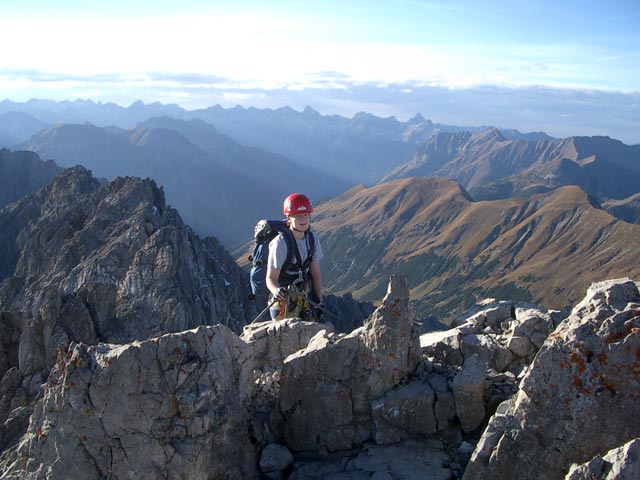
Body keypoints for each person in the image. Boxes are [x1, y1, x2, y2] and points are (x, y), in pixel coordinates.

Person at [266, 193, 323, 320]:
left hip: (305, 299)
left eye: (305, 214)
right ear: (289, 218)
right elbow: (270, 278)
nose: (303, 219)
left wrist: (319, 301)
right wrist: (276, 291)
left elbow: (316, 275)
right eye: (298, 216)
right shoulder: (280, 243)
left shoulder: (312, 239)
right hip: (283, 302)